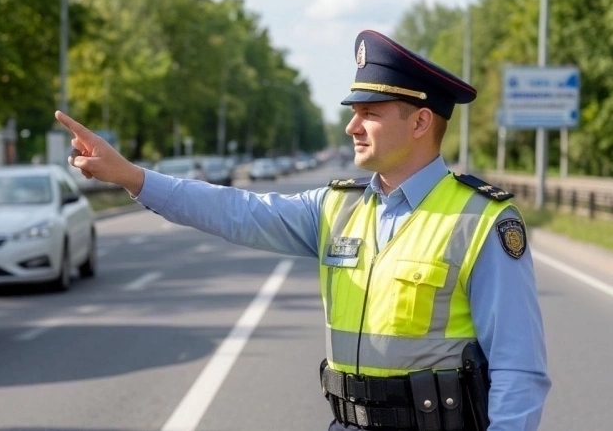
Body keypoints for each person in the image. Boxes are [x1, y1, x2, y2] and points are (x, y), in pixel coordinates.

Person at [57, 29, 550, 431]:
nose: (351, 127)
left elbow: (519, 371)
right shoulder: (336, 207)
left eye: (369, 114)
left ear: (421, 122)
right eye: (354, 113)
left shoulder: (481, 220)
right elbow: (236, 210)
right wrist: (131, 176)